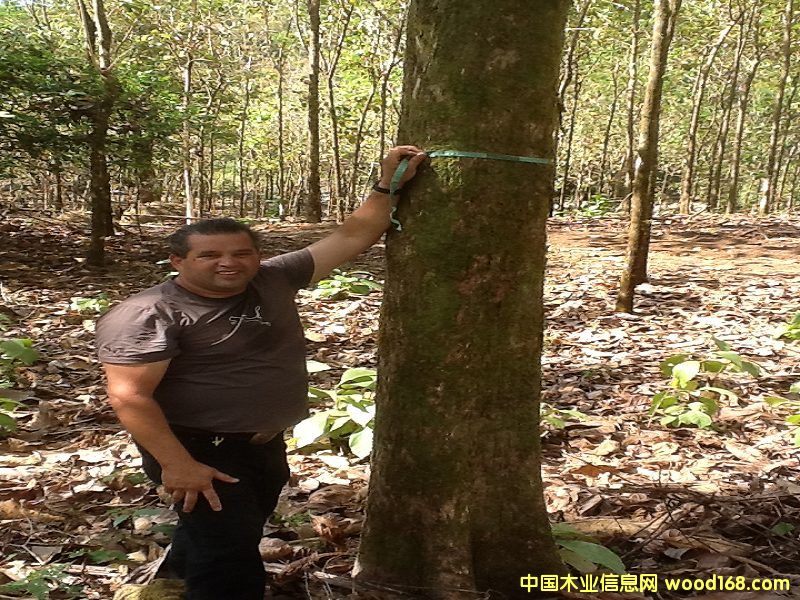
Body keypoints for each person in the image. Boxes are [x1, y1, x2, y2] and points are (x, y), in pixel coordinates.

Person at [96, 146, 426, 600]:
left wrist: (388, 182)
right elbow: (130, 396)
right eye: (209, 255)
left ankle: (170, 586)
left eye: (242, 253)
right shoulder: (148, 313)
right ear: (177, 261)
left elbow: (354, 234)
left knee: (227, 532)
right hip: (196, 446)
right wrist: (178, 464)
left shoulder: (273, 278)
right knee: (229, 559)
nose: (229, 262)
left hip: (262, 442)